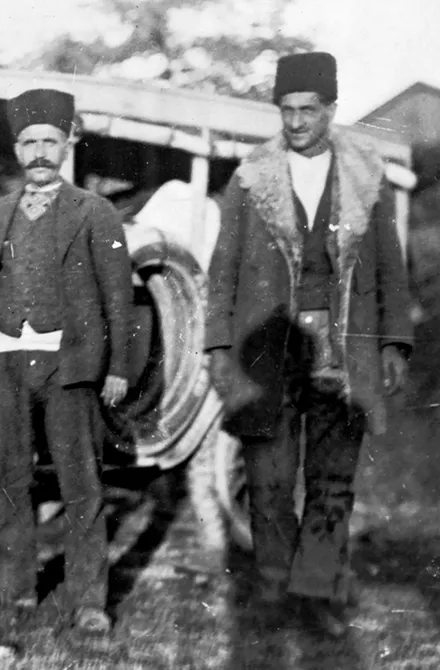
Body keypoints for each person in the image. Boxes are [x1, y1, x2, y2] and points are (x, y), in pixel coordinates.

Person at [206, 52, 412, 638]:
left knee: (331, 484)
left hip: (347, 351)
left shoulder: (367, 177)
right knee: (268, 482)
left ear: (331, 110)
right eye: (287, 110)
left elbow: (391, 269)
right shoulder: (251, 178)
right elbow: (222, 271)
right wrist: (219, 346)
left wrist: (395, 343)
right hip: (265, 352)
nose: (296, 122)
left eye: (308, 110)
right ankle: (275, 591)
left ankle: (317, 593)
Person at [0, 88, 133, 647]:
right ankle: (16, 589)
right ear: (17, 147)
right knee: (6, 481)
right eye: (30, 142)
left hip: (72, 363)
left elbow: (117, 295)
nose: (39, 151)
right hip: (6, 360)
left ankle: (89, 600)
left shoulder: (95, 210)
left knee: (81, 484)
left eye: (50, 142)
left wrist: (117, 368)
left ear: (68, 143)